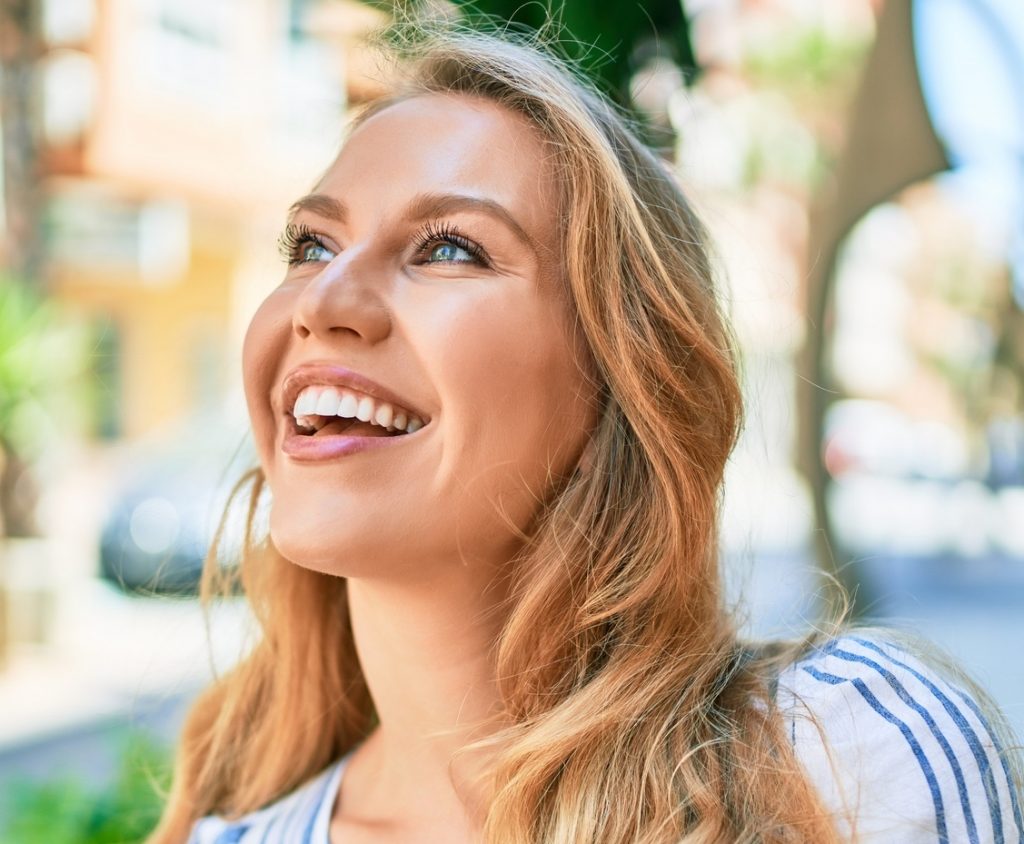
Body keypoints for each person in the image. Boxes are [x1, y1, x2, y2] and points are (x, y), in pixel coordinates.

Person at [149, 18, 1023, 844]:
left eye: (450, 247)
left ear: (619, 384)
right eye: (311, 244)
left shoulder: (853, 759)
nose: (325, 300)